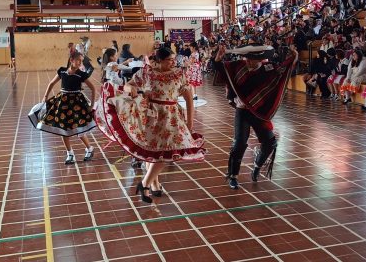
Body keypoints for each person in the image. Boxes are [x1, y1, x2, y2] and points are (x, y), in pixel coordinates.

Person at [94, 47, 205, 203]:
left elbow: (188, 98)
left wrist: (190, 121)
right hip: (151, 116)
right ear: (159, 60)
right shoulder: (146, 73)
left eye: (174, 60)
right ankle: (154, 184)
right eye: (169, 60)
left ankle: (145, 183)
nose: (173, 63)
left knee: (167, 152)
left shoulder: (179, 74)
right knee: (152, 151)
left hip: (172, 117)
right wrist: (131, 87)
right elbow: (127, 86)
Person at [214, 43, 298, 189]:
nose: (248, 61)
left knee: (270, 142)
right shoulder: (238, 66)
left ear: (261, 60)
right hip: (242, 111)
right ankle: (233, 176)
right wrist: (217, 59)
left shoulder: (269, 69)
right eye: (247, 58)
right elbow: (221, 68)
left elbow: (284, 69)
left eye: (252, 59)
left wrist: (293, 57)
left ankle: (258, 165)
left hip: (259, 113)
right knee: (239, 143)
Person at [28, 52, 96, 165]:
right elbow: (51, 83)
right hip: (62, 103)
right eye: (78, 60)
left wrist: (92, 105)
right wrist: (45, 97)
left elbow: (93, 89)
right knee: (63, 129)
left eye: (81, 61)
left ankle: (89, 148)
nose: (80, 62)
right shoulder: (62, 71)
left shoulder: (81, 74)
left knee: (79, 128)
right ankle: (70, 153)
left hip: (76, 104)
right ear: (71, 60)